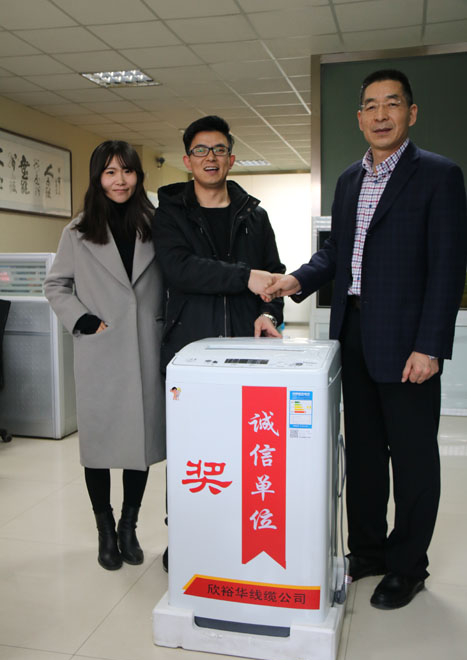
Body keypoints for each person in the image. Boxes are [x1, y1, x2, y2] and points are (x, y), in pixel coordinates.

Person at [264, 69, 467, 610]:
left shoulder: (439, 175)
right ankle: (370, 551)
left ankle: (408, 566)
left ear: (411, 112)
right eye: (371, 106)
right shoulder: (349, 179)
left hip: (408, 344)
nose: (381, 115)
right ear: (359, 119)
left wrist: (430, 346)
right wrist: (295, 281)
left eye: (391, 104)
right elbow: (338, 253)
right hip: (352, 335)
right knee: (364, 455)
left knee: (414, 458)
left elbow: (448, 267)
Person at [152, 115, 285, 570]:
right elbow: (180, 269)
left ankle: (238, 534)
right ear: (188, 160)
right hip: (191, 350)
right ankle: (185, 535)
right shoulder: (170, 213)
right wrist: (245, 277)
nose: (211, 157)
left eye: (220, 149)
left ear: (232, 158)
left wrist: (269, 312)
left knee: (245, 448)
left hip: (248, 351)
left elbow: (273, 273)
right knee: (191, 451)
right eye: (201, 150)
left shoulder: (255, 215)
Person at [44, 141, 165, 571]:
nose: (120, 180)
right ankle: (105, 530)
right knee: (97, 446)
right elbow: (56, 284)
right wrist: (83, 320)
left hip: (146, 348)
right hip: (101, 351)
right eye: (111, 172)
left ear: (138, 176)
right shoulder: (77, 231)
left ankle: (129, 526)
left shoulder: (155, 224)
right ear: (98, 177)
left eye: (127, 171)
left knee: (140, 444)